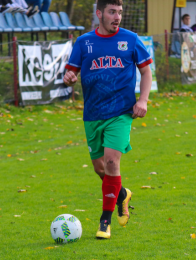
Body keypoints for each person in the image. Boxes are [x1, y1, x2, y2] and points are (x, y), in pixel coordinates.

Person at [63, 0, 152, 239]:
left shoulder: (131, 39)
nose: (117, 17)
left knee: (112, 162)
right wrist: (69, 77)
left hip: (121, 112)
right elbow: (70, 73)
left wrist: (142, 100)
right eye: (112, 12)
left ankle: (105, 220)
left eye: (120, 12)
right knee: (100, 168)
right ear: (99, 13)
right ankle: (122, 193)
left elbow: (145, 71)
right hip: (92, 115)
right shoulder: (83, 43)